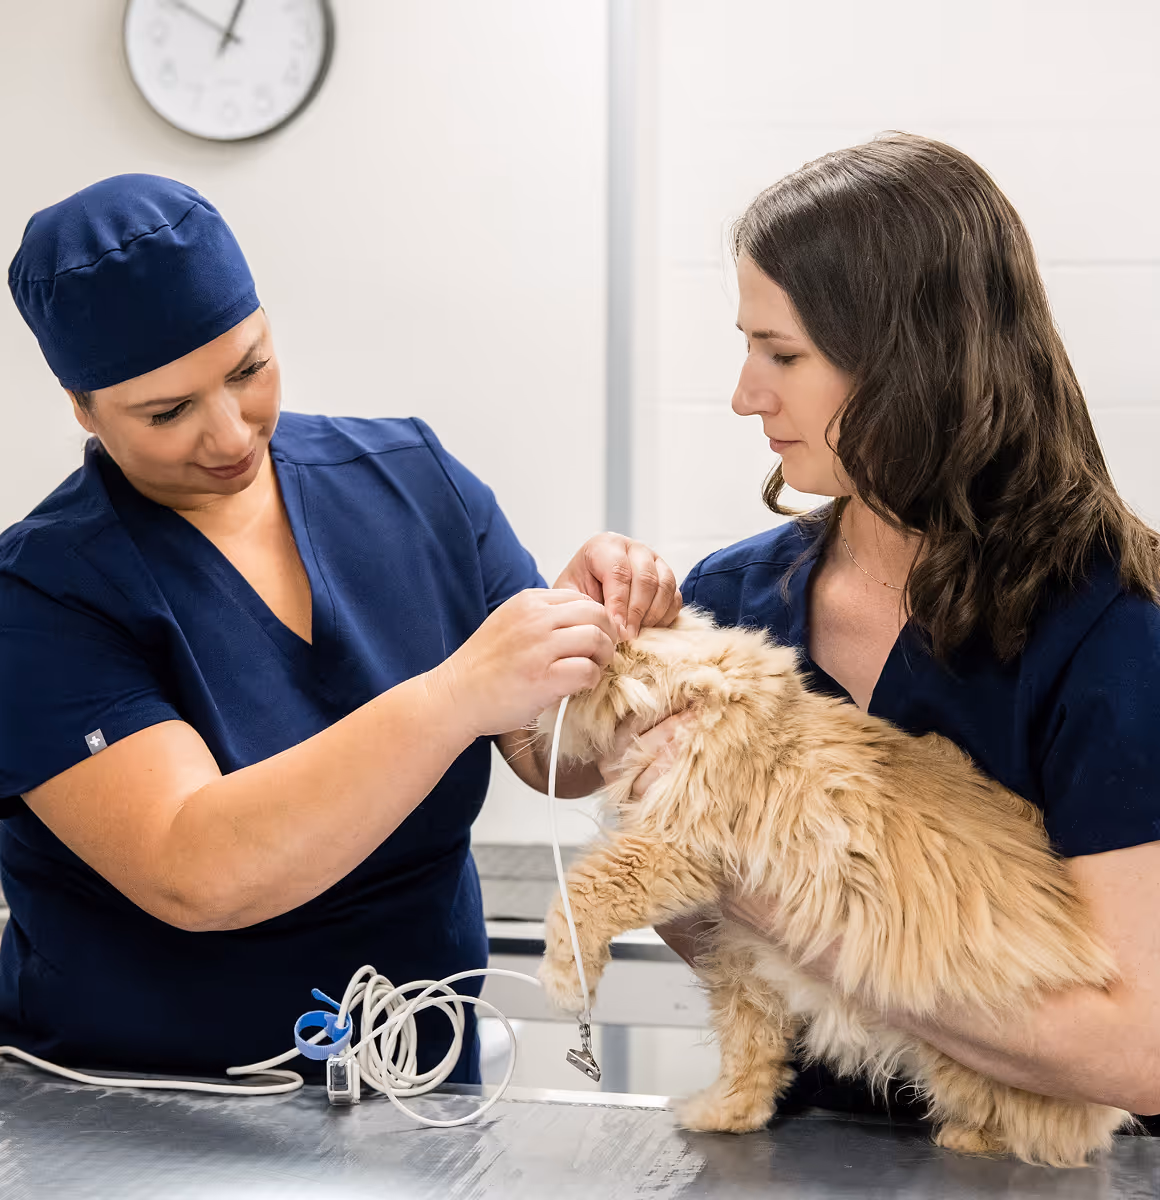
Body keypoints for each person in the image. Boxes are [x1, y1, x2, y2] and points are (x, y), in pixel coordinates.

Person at [0, 174, 680, 1081]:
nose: (232, 433)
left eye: (249, 369)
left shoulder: (412, 480)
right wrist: (451, 696)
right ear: (84, 409)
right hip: (141, 1107)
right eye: (167, 412)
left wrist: (594, 653)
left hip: (417, 1080)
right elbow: (193, 869)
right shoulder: (43, 593)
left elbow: (549, 757)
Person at [632, 134, 1160, 1129]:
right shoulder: (737, 602)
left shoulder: (1111, 631)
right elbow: (726, 945)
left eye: (781, 355)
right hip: (808, 1156)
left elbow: (1139, 1051)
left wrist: (779, 906)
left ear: (908, 364)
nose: (745, 394)